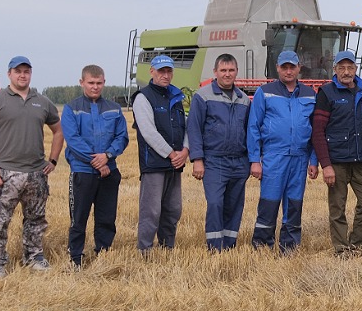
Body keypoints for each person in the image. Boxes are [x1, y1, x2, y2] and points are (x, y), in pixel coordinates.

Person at [0, 55, 64, 278]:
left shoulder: (42, 102)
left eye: (26, 71)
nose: (22, 75)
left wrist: (53, 160)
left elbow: (58, 131)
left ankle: (34, 257)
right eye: (18, 71)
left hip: (36, 174)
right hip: (6, 174)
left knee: (36, 220)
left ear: (31, 74)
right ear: (9, 74)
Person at [247, 50, 319, 251]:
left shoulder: (310, 94)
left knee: (294, 203)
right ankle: (262, 245)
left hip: (300, 157)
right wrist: (255, 160)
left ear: (299, 68)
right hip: (274, 156)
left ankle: (290, 246)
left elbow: (315, 131)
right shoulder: (264, 92)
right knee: (269, 202)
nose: (288, 71)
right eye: (284, 67)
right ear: (277, 68)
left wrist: (313, 160)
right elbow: (253, 127)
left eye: (292, 67)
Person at [60, 64, 129, 267]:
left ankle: (103, 255)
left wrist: (107, 156)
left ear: (104, 83)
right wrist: (98, 162)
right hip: (83, 172)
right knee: (78, 218)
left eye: (99, 83)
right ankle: (76, 258)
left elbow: (122, 137)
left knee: (106, 218)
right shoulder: (71, 109)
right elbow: (73, 140)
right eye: (91, 83)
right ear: (82, 82)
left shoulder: (114, 109)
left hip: (109, 172)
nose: (95, 87)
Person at [311, 49, 362, 254]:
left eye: (350, 67)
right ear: (335, 69)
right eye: (341, 68)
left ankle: (357, 244)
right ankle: (341, 248)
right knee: (337, 207)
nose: (346, 72)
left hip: (361, 160)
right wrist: (326, 165)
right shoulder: (326, 93)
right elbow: (318, 131)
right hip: (336, 161)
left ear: (356, 69)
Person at [187, 53, 251, 251]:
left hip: (239, 161)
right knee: (215, 203)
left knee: (234, 206)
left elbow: (250, 131)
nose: (227, 74)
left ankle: (229, 245)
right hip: (214, 161)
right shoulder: (202, 96)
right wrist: (197, 159)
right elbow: (194, 129)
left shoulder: (244, 99)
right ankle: (215, 247)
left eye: (231, 70)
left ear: (237, 72)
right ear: (215, 72)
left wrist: (252, 160)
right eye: (223, 70)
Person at [131, 54, 189, 253]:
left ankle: (167, 248)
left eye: (168, 71)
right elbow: (148, 132)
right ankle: (145, 250)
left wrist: (185, 151)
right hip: (155, 163)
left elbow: (186, 127)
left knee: (173, 209)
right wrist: (172, 154)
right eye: (161, 71)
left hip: (175, 163)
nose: (165, 75)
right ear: (152, 71)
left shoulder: (176, 96)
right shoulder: (143, 97)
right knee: (151, 211)